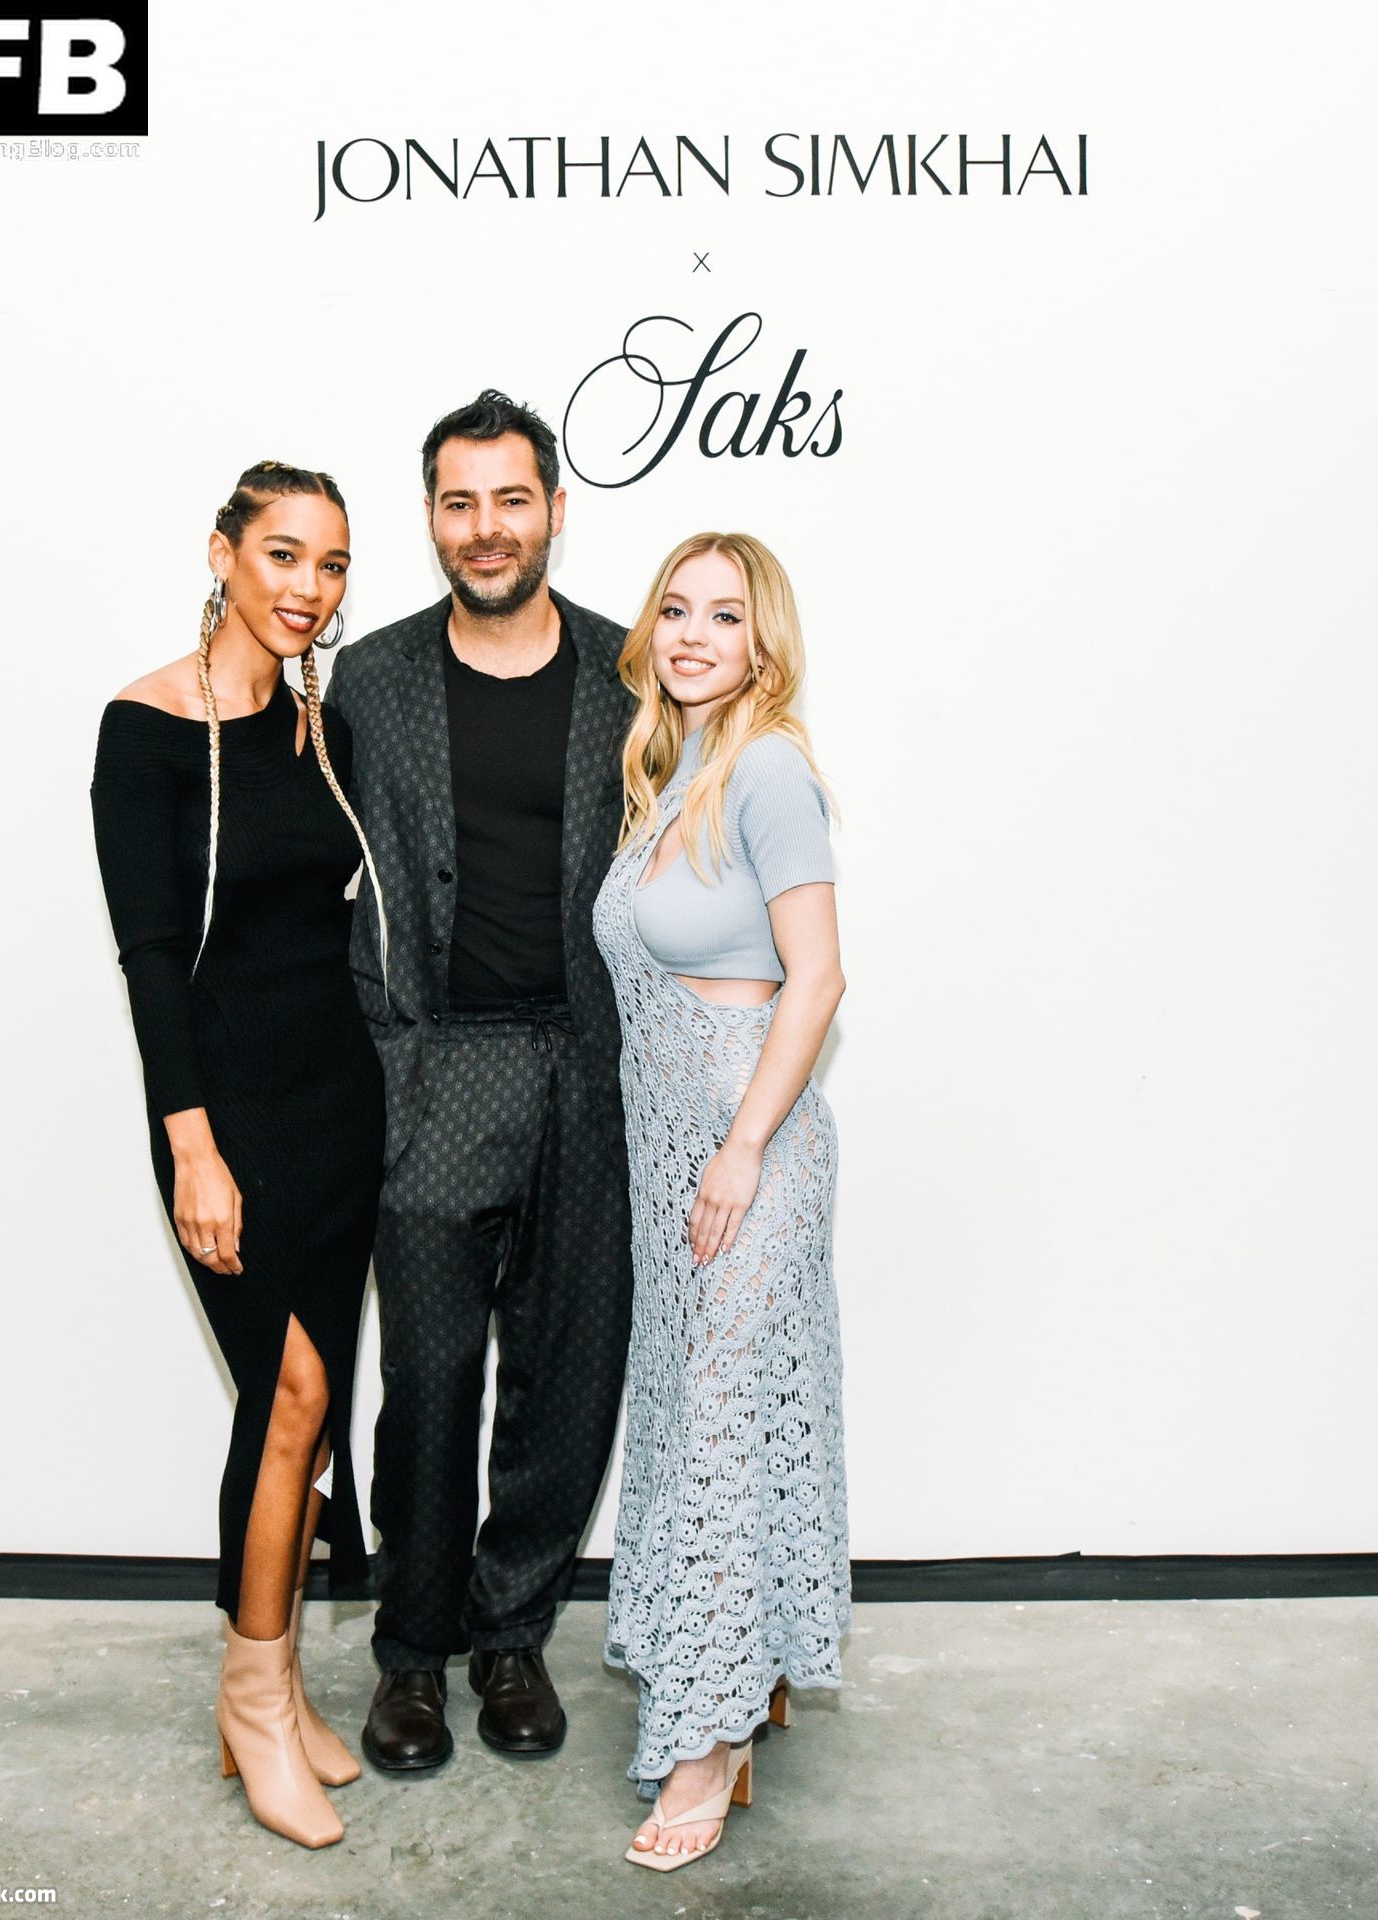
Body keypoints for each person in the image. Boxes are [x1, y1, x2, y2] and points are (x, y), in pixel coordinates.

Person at [326, 391, 635, 1772]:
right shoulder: (371, 680)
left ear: (555, 511)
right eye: (461, 503)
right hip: (433, 1071)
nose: (487, 527)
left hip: (591, 1069)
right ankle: (412, 1654)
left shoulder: (634, 672)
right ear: (432, 518)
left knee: (568, 1373)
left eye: (512, 500)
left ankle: (513, 1638)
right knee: (433, 1379)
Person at [90, 461, 385, 1849]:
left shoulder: (319, 729)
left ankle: (276, 1681)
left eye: (331, 565)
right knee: (288, 1395)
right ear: (222, 555)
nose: (307, 588)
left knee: (305, 1415)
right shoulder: (144, 730)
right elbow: (153, 960)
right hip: (231, 1118)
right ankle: (252, 1701)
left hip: (338, 1108)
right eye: (282, 555)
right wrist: (192, 1149)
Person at [591, 532, 852, 1871]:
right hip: (671, 1152)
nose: (694, 634)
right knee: (703, 1409)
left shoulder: (767, 769)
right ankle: (752, 1667)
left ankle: (710, 1738)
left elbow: (820, 976)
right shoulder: (671, 771)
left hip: (751, 1152)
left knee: (725, 1424)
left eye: (725, 615)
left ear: (764, 641)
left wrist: (744, 1148)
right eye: (676, 610)